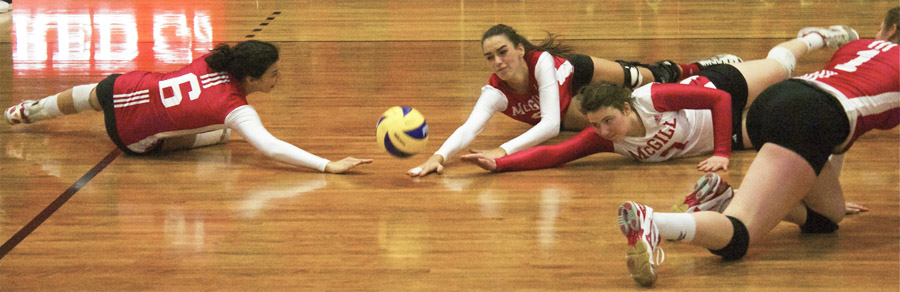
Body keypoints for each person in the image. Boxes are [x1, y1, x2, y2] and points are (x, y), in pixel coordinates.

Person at [616, 8, 899, 287]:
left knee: (828, 216)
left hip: (778, 100)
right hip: (809, 117)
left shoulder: (859, 46)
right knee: (738, 236)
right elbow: (834, 118)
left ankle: (722, 197)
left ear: (891, 31)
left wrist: (825, 189)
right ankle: (653, 222)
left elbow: (838, 127)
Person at [461, 24, 857, 174]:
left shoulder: (652, 99)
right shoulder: (605, 138)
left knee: (780, 67)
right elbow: (554, 154)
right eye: (596, 124)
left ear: (627, 107)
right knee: (802, 112)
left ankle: (812, 39)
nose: (601, 131)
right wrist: (499, 163)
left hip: (717, 88)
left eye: (607, 122)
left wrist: (719, 152)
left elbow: (718, 100)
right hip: (736, 131)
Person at [406, 24, 741, 177]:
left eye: (503, 52)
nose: (497, 61)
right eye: (489, 57)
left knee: (647, 78)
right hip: (565, 109)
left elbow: (548, 123)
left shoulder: (540, 63)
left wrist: (504, 150)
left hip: (578, 73)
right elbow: (469, 129)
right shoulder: (495, 92)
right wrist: (438, 157)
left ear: (520, 50)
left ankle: (700, 67)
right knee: (598, 126)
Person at [4, 40, 372, 174]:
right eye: (274, 74)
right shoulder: (235, 109)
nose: (279, 79)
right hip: (133, 140)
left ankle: (27, 111)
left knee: (96, 91)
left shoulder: (214, 58)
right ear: (252, 79)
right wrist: (328, 165)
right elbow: (271, 147)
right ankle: (31, 112)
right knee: (222, 134)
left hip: (124, 88)